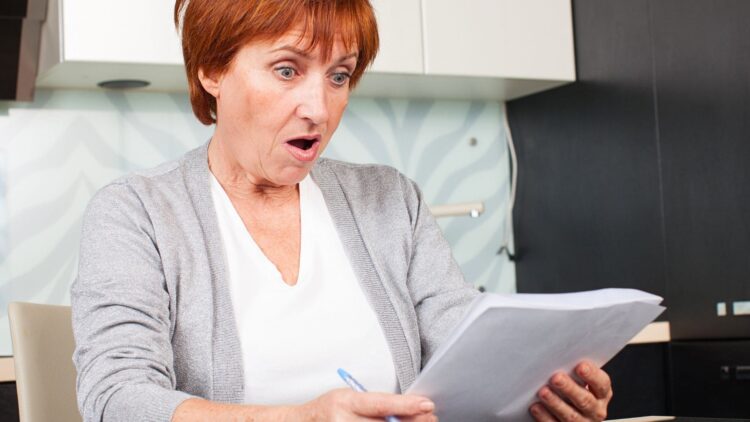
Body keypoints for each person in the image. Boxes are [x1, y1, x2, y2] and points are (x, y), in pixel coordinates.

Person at [71, 0, 613, 421]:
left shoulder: (391, 200)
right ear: (213, 70)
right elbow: (116, 399)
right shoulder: (137, 212)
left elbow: (465, 349)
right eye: (287, 70)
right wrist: (299, 417)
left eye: (338, 76)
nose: (319, 108)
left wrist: (533, 394)